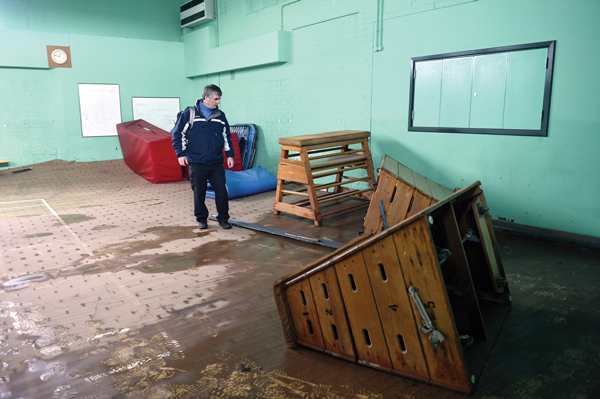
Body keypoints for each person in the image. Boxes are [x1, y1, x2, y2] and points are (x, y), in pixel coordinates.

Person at [171, 84, 234, 230]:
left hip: (216, 162)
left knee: (222, 192)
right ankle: (202, 219)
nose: (218, 102)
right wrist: (180, 154)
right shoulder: (189, 114)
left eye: (219, 99)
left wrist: (229, 155)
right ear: (206, 97)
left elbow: (226, 137)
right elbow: (178, 134)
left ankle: (223, 218)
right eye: (216, 99)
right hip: (197, 162)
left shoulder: (220, 115)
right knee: (199, 192)